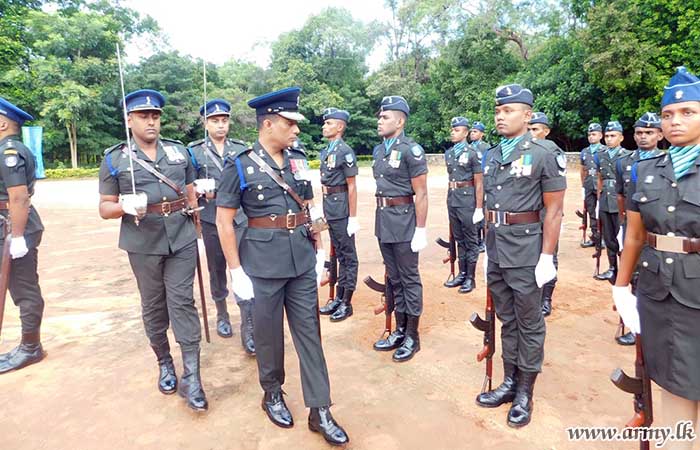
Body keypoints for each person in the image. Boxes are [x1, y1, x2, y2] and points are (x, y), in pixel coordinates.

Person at [215, 87, 348, 446]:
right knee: (269, 336)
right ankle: (272, 392)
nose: (296, 130)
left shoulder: (299, 160)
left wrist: (321, 252)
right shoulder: (240, 164)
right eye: (290, 124)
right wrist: (236, 271)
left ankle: (320, 409)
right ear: (268, 123)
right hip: (262, 263)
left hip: (301, 259)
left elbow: (310, 206)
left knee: (310, 335)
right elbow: (225, 221)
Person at [98, 89, 207, 411]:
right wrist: (123, 206)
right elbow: (104, 208)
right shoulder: (114, 158)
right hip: (142, 241)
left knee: (183, 302)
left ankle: (193, 376)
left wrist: (198, 206)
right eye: (144, 116)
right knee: (154, 304)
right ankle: (164, 362)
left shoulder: (179, 152)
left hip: (181, 235)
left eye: (155, 116)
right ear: (129, 120)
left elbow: (190, 191)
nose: (151, 122)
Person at [613, 66, 700, 449]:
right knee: (672, 379)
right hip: (658, 290)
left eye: (687, 113)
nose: (674, 121)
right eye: (668, 115)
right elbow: (634, 234)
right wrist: (620, 287)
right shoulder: (646, 169)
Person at [475, 84, 566, 428]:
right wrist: (486, 249)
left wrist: (547, 257)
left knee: (529, 322)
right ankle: (510, 381)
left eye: (509, 110)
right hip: (498, 248)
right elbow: (491, 205)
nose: (500, 116)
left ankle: (526, 390)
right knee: (507, 319)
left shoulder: (544, 152)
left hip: (528, 251)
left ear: (528, 116)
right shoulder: (493, 154)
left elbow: (554, 210)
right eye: (498, 111)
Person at [187, 99, 255, 355]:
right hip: (211, 218)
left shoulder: (239, 149)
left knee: (244, 269)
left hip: (239, 218)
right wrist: (198, 191)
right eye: (215, 121)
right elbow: (187, 185)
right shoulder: (194, 151)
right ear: (206, 123)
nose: (220, 125)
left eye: (224, 120)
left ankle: (248, 324)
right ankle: (222, 313)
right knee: (216, 269)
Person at [371, 95, 429, 363]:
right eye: (380, 116)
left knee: (408, 278)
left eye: (385, 117)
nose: (379, 121)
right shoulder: (379, 150)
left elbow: (421, 193)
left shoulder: (410, 150)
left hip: (405, 222)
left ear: (400, 120)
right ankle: (400, 329)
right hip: (384, 221)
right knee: (394, 280)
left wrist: (421, 229)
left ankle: (412, 336)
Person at [0, 97, 46, 374]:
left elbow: (18, 197)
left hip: (12, 227)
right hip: (8, 225)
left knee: (23, 288)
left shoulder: (9, 152)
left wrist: (17, 236)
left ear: (3, 123)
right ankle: (27, 346)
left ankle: (31, 347)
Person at [317, 107, 359, 322]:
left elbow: (351, 186)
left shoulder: (345, 151)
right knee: (338, 254)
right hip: (330, 208)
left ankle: (346, 301)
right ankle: (338, 297)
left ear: (340, 127)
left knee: (348, 256)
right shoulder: (326, 151)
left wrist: (352, 217)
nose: (325, 126)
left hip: (342, 208)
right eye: (325, 123)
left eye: (329, 123)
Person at [443, 116, 483, 294]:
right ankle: (462, 273)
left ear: (465, 132)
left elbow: (479, 182)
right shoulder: (449, 153)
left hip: (468, 201)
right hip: (453, 199)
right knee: (459, 239)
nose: (453, 132)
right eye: (452, 129)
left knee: (471, 240)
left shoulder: (473, 153)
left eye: (457, 130)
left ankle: (471, 278)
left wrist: (479, 208)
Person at [527, 112, 561, 317]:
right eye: (529, 129)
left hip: (547, 212)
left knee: (549, 253)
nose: (532, 133)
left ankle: (546, 297)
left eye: (536, 129)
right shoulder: (524, 151)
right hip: (528, 213)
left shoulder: (552, 152)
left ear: (546, 131)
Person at [594, 121, 631, 283]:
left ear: (621, 137)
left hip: (620, 201)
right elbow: (599, 178)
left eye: (613, 136)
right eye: (607, 136)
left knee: (623, 237)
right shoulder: (600, 155)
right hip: (605, 201)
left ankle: (627, 270)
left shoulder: (628, 156)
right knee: (609, 238)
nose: (609, 139)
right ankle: (612, 269)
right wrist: (598, 199)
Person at [579, 123, 604, 248]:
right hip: (589, 185)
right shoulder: (585, 152)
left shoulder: (604, 151)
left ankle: (603, 237)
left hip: (601, 186)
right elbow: (583, 170)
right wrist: (583, 186)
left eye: (594, 134)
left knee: (602, 212)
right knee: (591, 212)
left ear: (600, 135)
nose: (591, 137)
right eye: (589, 135)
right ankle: (595, 237)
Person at [469, 121, 489, 252]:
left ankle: (484, 241)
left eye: (475, 131)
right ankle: (475, 239)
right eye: (471, 131)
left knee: (482, 212)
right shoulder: (468, 147)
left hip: (483, 184)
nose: (472, 134)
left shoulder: (486, 147)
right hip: (470, 185)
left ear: (482, 134)